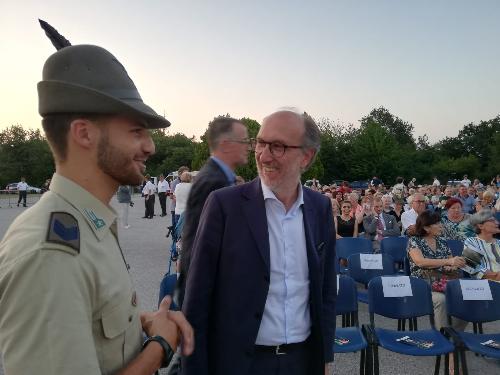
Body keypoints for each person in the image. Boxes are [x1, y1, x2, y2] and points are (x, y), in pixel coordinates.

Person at [0, 43, 193, 374]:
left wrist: (139, 324)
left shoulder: (88, 223)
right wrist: (159, 347)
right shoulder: (49, 254)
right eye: (136, 131)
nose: (150, 146)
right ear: (84, 133)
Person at [182, 110, 336, 375]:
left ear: (306, 156)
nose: (264, 156)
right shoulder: (224, 205)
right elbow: (197, 299)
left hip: (301, 361)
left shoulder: (320, 208)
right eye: (261, 143)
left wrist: (324, 358)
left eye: (277, 147)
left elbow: (325, 292)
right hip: (241, 363)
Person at [175, 117, 250, 308]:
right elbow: (205, 246)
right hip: (207, 295)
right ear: (225, 144)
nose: (248, 147)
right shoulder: (214, 182)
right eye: (244, 141)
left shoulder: (218, 177)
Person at [407, 210, 466, 330]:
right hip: (422, 282)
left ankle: (453, 334)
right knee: (441, 300)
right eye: (437, 223)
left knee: (467, 296)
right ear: (426, 228)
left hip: (443, 281)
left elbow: (451, 263)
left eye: (440, 222)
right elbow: (420, 262)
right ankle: (442, 339)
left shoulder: (442, 241)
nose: (441, 226)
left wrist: (457, 264)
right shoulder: (414, 241)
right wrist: (448, 262)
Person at [464, 209, 500, 281]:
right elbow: (470, 267)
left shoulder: (499, 242)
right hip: (486, 285)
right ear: (480, 226)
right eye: (492, 220)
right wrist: (495, 275)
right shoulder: (472, 242)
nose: (497, 223)